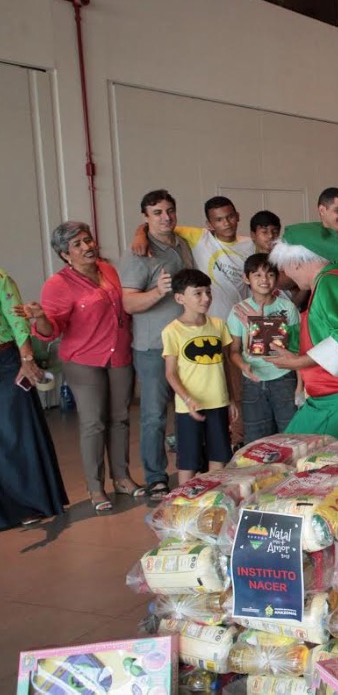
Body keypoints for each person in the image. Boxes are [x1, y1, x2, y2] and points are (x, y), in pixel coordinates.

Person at [22, 222, 143, 512]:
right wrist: (39, 317)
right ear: (65, 254)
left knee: (120, 419)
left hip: (119, 356)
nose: (87, 247)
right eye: (77, 245)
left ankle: (122, 478)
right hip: (83, 360)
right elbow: (50, 330)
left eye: (87, 240)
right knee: (93, 423)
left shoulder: (108, 270)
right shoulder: (58, 284)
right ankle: (95, 487)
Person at [267, 223, 338, 438]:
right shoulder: (327, 281)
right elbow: (314, 330)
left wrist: (297, 363)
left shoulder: (332, 281)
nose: (287, 275)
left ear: (296, 261)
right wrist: (262, 333)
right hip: (328, 397)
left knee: (305, 461)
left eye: (285, 268)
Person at [119, 189, 196, 500]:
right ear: (145, 218)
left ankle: (190, 468)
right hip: (153, 346)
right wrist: (158, 291)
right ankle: (156, 477)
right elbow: (128, 303)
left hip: (188, 343)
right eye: (157, 213)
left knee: (190, 407)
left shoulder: (182, 244)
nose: (166, 217)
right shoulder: (138, 254)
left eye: (169, 211)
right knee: (153, 415)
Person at [0, 269, 68, 529]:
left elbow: (16, 319)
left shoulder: (1, 278)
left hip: (5, 362)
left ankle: (27, 505)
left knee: (14, 435)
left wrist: (26, 358)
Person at [161, 270, 238, 485]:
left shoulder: (218, 325)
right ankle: (184, 503)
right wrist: (187, 399)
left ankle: (213, 499)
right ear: (179, 298)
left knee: (219, 456)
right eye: (198, 293)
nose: (206, 298)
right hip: (189, 407)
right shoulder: (172, 331)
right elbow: (170, 372)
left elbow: (225, 364)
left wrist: (231, 398)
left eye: (208, 292)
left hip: (218, 402)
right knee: (189, 460)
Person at [132, 196, 255, 323]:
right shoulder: (199, 237)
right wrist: (140, 235)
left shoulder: (251, 244)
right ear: (209, 224)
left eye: (230, 217)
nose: (226, 223)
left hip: (241, 320)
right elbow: (158, 226)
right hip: (208, 322)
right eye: (218, 219)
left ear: (238, 216)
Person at [226, 254, 301, 445]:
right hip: (253, 381)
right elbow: (234, 350)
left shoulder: (288, 308)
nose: (264, 280)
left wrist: (300, 385)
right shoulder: (238, 311)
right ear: (246, 278)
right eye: (257, 275)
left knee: (291, 435)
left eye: (269, 275)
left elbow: (297, 349)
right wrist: (243, 365)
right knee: (257, 439)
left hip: (284, 378)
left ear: (277, 278)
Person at [249, 210, 297, 298]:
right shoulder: (248, 256)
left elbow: (287, 283)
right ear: (253, 235)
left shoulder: (288, 256)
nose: (271, 236)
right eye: (264, 232)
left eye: (275, 231)